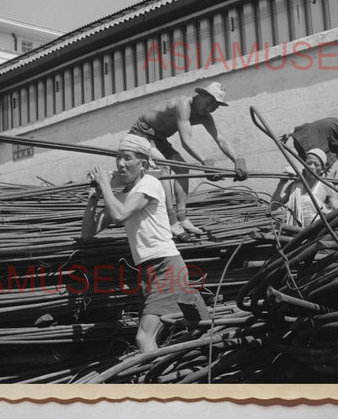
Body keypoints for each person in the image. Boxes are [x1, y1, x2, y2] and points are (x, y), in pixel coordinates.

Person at [80, 134, 204, 353]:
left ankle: (155, 386)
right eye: (118, 158)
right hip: (149, 271)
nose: (120, 163)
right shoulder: (123, 195)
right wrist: (94, 196)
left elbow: (120, 216)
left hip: (166, 266)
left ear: (143, 164)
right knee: (168, 331)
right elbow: (88, 233)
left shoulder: (150, 184)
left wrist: (106, 186)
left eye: (127, 158)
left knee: (144, 337)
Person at [128, 81, 248, 238]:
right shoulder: (184, 104)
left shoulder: (205, 117)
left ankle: (182, 217)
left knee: (182, 168)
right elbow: (186, 141)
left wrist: (237, 160)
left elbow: (221, 139)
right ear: (201, 95)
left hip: (159, 139)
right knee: (164, 167)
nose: (211, 108)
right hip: (141, 134)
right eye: (210, 102)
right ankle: (171, 220)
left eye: (215, 106)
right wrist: (206, 163)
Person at [280, 116, 338, 183]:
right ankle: (319, 189)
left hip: (299, 139)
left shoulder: (335, 121)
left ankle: (301, 178)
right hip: (311, 145)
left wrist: (290, 133)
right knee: (321, 169)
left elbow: (309, 126)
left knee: (310, 168)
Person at [272, 148, 338, 228]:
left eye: (316, 165)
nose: (311, 167)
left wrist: (325, 212)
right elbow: (273, 207)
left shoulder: (326, 186)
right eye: (308, 163)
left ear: (322, 169)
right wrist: (281, 184)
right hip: (296, 234)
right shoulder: (295, 186)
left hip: (319, 233)